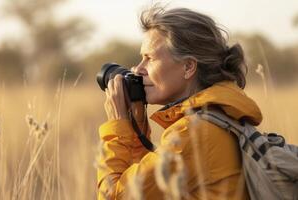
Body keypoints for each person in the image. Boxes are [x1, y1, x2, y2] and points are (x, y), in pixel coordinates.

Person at [97, 5, 262, 200]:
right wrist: (138, 122)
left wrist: (119, 125)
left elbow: (114, 196)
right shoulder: (217, 119)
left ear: (188, 67)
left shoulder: (194, 133)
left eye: (149, 58)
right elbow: (147, 188)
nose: (137, 69)